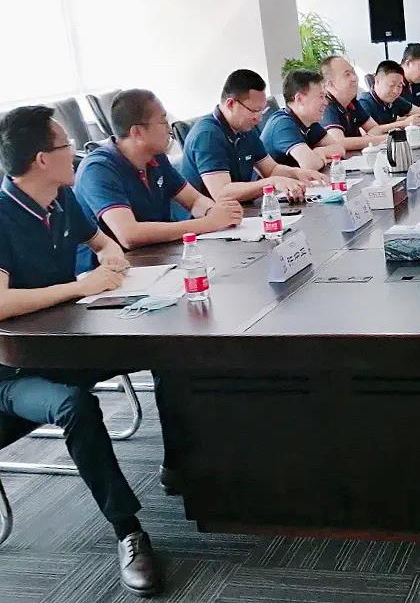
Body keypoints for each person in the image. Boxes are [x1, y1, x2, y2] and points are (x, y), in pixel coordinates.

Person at [0, 106, 162, 596]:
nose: (76, 152)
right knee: (75, 406)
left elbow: (103, 243)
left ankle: (183, 463)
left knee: (169, 349)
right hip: (13, 372)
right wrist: (79, 286)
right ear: (41, 159)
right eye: (66, 145)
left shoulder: (61, 198)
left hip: (64, 346)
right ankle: (128, 531)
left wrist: (109, 262)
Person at [73, 90, 243, 271]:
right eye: (163, 122)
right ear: (137, 132)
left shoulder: (155, 157)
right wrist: (208, 223)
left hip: (158, 260)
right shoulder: (99, 169)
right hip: (111, 274)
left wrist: (216, 212)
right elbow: (129, 235)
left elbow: (194, 201)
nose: (169, 129)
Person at [180, 69, 324, 203]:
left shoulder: (245, 128)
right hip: (208, 218)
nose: (259, 118)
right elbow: (222, 193)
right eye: (254, 111)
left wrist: (298, 173)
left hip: (242, 209)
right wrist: (271, 182)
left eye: (262, 111)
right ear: (230, 104)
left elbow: (271, 169)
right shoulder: (207, 135)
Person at [260, 69, 345, 172]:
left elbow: (340, 150)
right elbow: (310, 164)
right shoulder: (282, 124)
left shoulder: (308, 121)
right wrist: (324, 158)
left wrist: (321, 151)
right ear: (299, 99)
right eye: (321, 96)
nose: (325, 102)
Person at [320, 55, 383, 151]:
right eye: (347, 74)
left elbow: (375, 128)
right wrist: (380, 139)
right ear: (330, 84)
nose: (354, 78)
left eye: (353, 72)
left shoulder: (352, 102)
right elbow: (339, 142)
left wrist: (368, 140)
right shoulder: (326, 105)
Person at [355, 60, 420, 134]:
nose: (396, 91)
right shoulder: (363, 102)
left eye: (399, 86)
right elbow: (369, 133)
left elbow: (418, 111)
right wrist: (403, 123)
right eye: (391, 85)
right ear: (377, 81)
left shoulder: (394, 99)